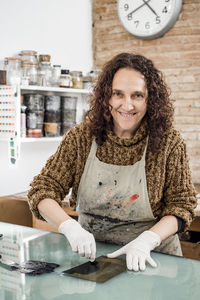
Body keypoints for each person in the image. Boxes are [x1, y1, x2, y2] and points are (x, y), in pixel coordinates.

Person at [28, 53, 197, 272]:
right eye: (118, 94)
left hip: (153, 261)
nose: (127, 105)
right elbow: (42, 189)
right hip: (94, 258)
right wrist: (69, 227)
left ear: (150, 99)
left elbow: (182, 205)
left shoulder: (169, 143)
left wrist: (148, 239)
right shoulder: (82, 137)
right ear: (106, 96)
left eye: (137, 95)